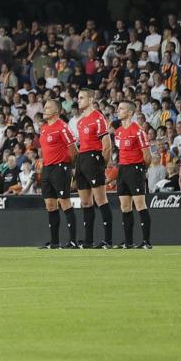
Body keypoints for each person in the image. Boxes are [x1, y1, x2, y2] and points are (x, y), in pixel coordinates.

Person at [71, 88, 114, 249]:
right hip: (82, 159)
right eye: (78, 98)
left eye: (81, 98)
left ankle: (108, 240)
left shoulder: (98, 118)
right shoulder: (80, 121)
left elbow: (107, 145)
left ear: (90, 100)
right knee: (85, 202)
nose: (78, 100)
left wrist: (102, 164)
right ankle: (88, 241)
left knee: (101, 200)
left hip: (94, 158)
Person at [113, 100, 153, 249]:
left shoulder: (138, 131)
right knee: (125, 206)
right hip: (122, 169)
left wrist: (141, 170)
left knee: (140, 204)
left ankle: (146, 241)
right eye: (118, 108)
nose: (118, 111)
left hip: (135, 169)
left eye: (121, 109)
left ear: (130, 113)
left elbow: (147, 156)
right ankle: (128, 242)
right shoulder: (118, 132)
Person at [35, 97, 75, 249]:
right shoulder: (44, 128)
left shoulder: (62, 127)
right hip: (47, 168)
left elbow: (73, 150)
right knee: (50, 205)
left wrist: (69, 166)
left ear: (56, 111)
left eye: (47, 107)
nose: (44, 110)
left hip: (60, 167)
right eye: (44, 107)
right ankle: (54, 242)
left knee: (64, 202)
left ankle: (72, 241)